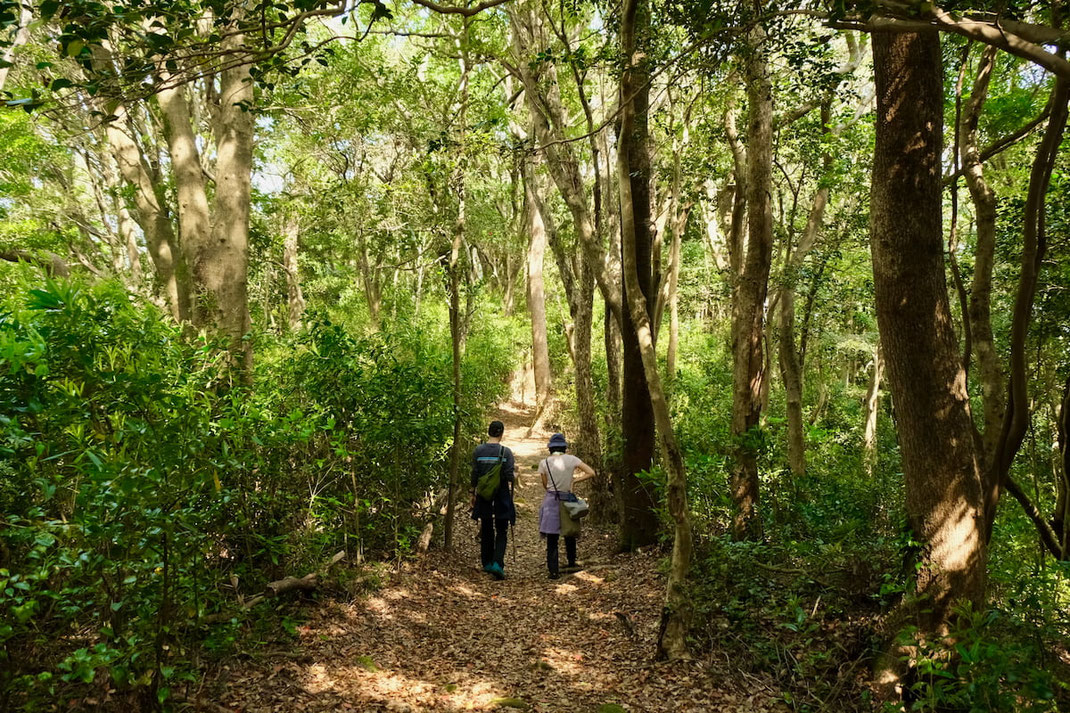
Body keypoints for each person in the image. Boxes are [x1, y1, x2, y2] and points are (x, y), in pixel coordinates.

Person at [537, 432, 596, 580]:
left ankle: (553, 570)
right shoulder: (572, 459)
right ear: (564, 447)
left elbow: (545, 485)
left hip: (551, 500)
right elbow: (591, 472)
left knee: (552, 537)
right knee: (569, 533)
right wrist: (574, 481)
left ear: (550, 448)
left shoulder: (544, 463)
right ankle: (571, 562)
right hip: (568, 500)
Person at [470, 420, 515, 580]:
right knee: (501, 530)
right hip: (501, 495)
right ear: (501, 433)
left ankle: (487, 563)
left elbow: (474, 475)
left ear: (488, 432)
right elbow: (510, 476)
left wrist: (472, 493)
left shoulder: (478, 451)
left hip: (483, 495)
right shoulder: (506, 452)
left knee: (487, 527)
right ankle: (498, 563)